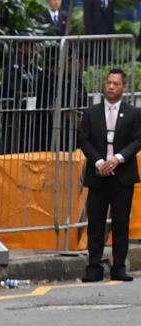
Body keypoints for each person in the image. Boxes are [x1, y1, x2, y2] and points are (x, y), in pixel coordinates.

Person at [78, 69, 137, 282]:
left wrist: (118, 158)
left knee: (121, 223)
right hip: (98, 174)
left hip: (123, 175)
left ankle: (118, 267)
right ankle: (93, 267)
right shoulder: (91, 113)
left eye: (116, 83)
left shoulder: (133, 113)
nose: (111, 87)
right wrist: (100, 162)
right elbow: (84, 140)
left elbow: (137, 140)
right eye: (109, 83)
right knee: (95, 222)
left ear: (124, 87)